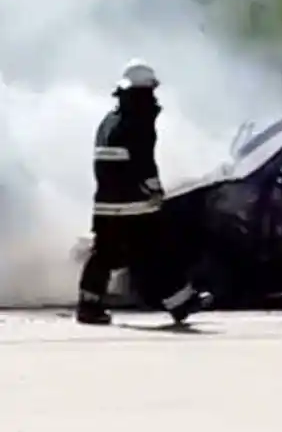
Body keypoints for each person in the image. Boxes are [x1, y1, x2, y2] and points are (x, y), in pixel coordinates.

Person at [76, 59, 211, 325]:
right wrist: (156, 190)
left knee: (103, 255)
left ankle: (88, 306)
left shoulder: (108, 122)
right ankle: (181, 304)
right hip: (134, 205)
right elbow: (143, 162)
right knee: (156, 253)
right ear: (144, 91)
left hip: (105, 205)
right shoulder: (138, 121)